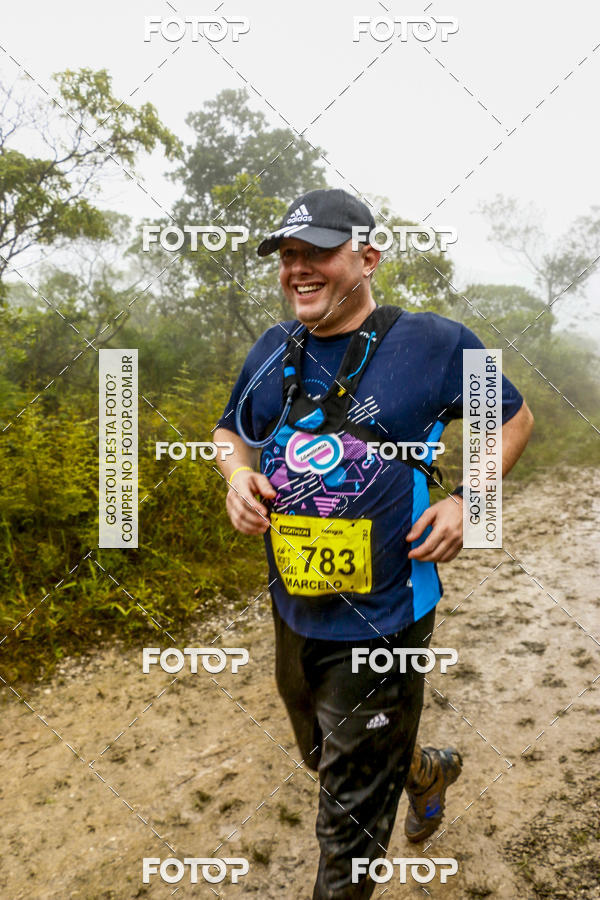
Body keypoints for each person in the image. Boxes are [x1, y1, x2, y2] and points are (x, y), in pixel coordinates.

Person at [214, 188, 534, 898]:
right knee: (324, 757)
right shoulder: (273, 351)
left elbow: (511, 420)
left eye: (317, 252)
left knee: (347, 828)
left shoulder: (436, 342)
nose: (297, 268)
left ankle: (389, 773)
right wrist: (237, 477)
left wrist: (469, 504)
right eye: (287, 254)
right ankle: (420, 769)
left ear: (367, 256)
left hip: (387, 616)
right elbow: (229, 430)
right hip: (294, 609)